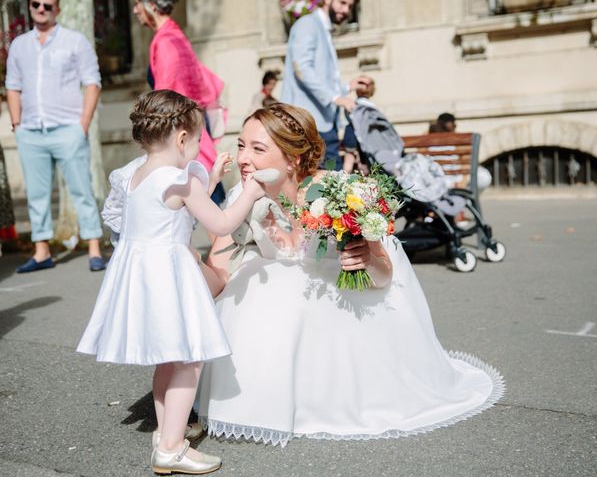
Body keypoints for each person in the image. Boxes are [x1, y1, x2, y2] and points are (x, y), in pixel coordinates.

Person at [196, 103, 504, 446]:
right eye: (240, 145)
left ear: (292, 159)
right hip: (287, 297)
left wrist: (365, 261)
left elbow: (384, 274)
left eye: (257, 149)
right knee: (259, 291)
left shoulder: (341, 191)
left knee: (295, 300)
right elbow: (220, 278)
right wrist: (183, 258)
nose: (242, 158)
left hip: (343, 296)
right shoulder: (242, 196)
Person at [76, 90, 265, 474]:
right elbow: (223, 224)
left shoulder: (132, 174)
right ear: (182, 139)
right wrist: (251, 191)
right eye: (197, 142)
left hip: (139, 273)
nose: (197, 149)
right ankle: (171, 448)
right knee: (189, 358)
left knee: (169, 353)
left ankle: (167, 430)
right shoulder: (181, 181)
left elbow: (156, 216)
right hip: (169, 275)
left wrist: (208, 179)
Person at [5, 0, 105, 273]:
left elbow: (92, 83)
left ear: (57, 9)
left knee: (82, 190)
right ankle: (42, 252)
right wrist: (18, 125)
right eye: (36, 3)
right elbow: (12, 86)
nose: (40, 9)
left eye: (47, 6)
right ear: (29, 6)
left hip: (67, 129)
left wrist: (82, 125)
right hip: (31, 132)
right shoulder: (19, 45)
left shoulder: (75, 41)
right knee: (37, 195)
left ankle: (94, 247)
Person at [132, 0, 227, 204]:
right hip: (187, 131)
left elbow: (165, 101)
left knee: (209, 206)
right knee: (210, 204)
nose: (135, 10)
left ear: (152, 6)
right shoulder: (171, 35)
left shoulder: (167, 41)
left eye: (138, 3)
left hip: (183, 136)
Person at [281, 0, 370, 171]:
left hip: (324, 124)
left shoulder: (323, 28)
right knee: (322, 187)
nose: (346, 10)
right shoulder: (308, 24)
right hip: (307, 124)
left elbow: (320, 76)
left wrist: (348, 87)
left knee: (330, 186)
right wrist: (335, 97)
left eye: (350, 6)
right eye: (342, 3)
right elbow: (301, 67)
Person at [342, 77, 376, 174]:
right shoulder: (372, 106)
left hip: (351, 133)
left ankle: (344, 175)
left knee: (349, 159)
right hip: (365, 136)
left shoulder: (352, 103)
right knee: (365, 163)